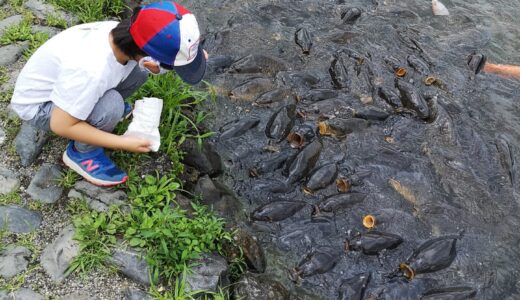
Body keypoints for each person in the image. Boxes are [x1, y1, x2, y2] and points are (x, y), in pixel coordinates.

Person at [9, 1, 207, 186]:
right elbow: (60, 125)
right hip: (41, 107)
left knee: (139, 74)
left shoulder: (123, 34)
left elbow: (148, 61)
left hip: (73, 88)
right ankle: (82, 152)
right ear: (149, 61)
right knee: (111, 106)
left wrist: (191, 56)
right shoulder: (91, 69)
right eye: (168, 67)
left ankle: (94, 116)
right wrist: (122, 143)